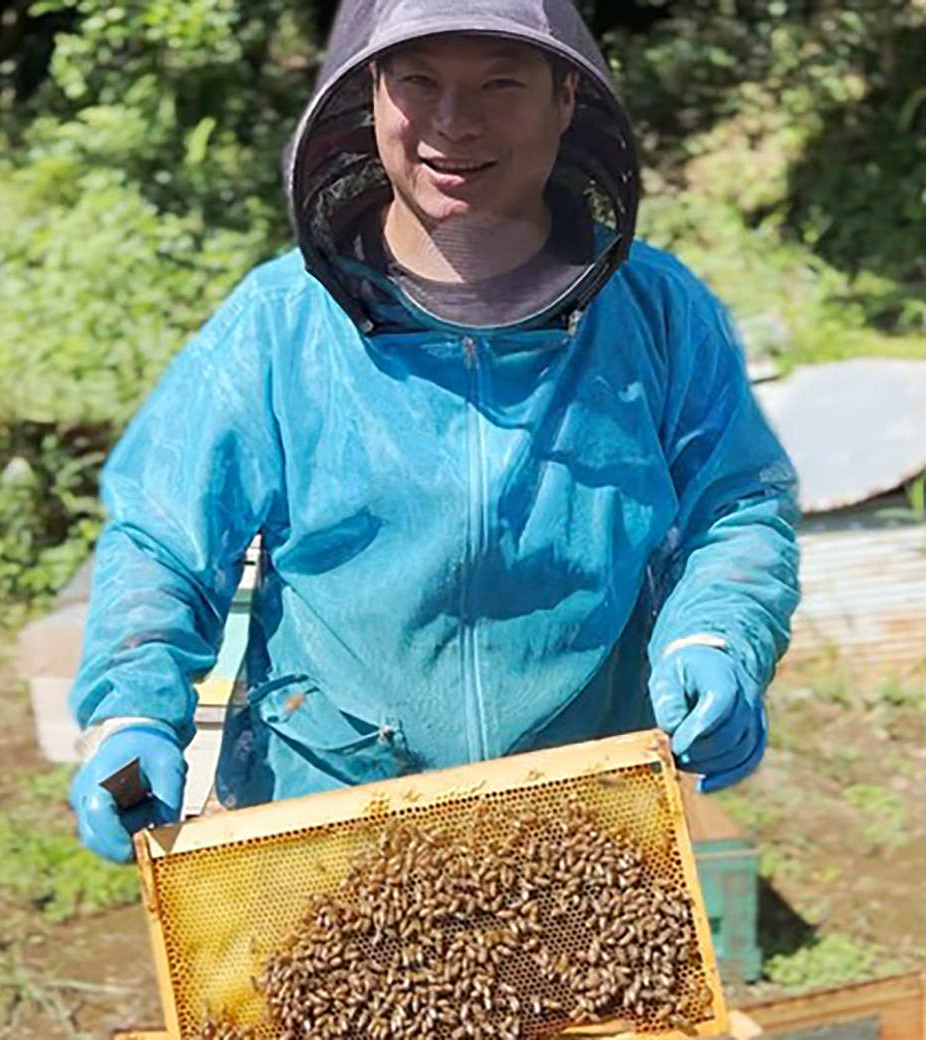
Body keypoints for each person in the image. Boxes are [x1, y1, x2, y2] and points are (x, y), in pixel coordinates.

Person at [69, 0, 801, 863]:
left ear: (567, 96)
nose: (454, 124)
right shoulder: (279, 323)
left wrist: (714, 636)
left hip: (583, 808)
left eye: (501, 82)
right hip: (329, 812)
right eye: (419, 81)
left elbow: (736, 504)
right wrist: (131, 710)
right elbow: (163, 539)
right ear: (371, 93)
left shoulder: (659, 312)